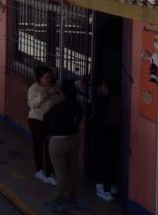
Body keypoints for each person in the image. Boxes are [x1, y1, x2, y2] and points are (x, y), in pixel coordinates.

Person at [45, 81, 85, 212]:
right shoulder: (78, 106)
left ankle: (58, 201)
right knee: (73, 170)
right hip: (74, 140)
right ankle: (72, 198)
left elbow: (46, 118)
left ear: (62, 93)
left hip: (58, 142)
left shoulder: (58, 107)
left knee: (61, 173)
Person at [88, 77, 122, 201]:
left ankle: (104, 187)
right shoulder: (117, 99)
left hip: (103, 133)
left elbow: (97, 117)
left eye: (103, 86)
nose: (101, 88)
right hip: (113, 133)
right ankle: (109, 185)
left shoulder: (105, 101)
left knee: (104, 161)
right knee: (111, 160)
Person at [28, 65, 62, 186]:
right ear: (40, 78)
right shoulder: (34, 88)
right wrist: (41, 98)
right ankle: (39, 170)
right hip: (37, 120)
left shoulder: (54, 87)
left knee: (49, 147)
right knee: (38, 144)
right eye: (46, 78)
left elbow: (60, 97)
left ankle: (50, 172)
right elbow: (31, 104)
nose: (49, 80)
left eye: (50, 77)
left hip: (51, 121)